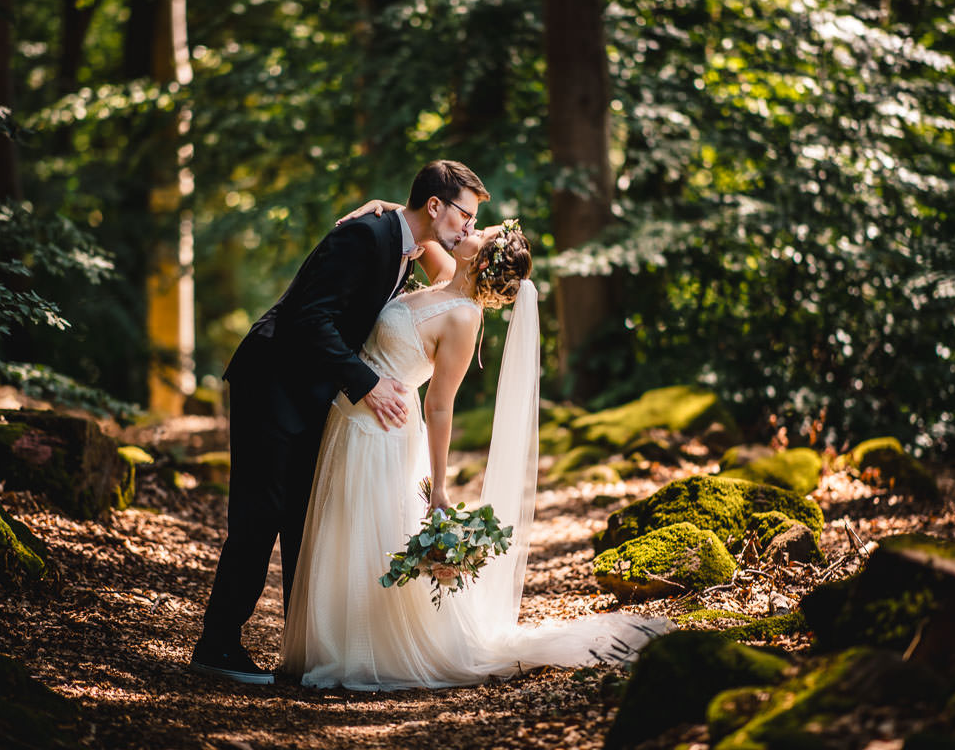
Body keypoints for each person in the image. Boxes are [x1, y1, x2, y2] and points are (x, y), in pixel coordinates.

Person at [280, 216, 669, 690]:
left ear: (483, 258)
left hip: (384, 435)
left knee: (366, 537)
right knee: (340, 531)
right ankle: (327, 642)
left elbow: (440, 405)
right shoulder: (446, 276)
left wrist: (438, 486)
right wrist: (381, 206)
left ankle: (361, 652)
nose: (471, 229)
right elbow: (419, 233)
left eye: (480, 234)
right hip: (349, 419)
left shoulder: (465, 318)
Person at [190, 161, 488, 684]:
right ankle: (217, 645)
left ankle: (309, 649)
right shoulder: (365, 236)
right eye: (465, 215)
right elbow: (311, 318)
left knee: (305, 524)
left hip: (314, 395)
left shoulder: (406, 247)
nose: (468, 228)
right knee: (259, 518)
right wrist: (367, 383)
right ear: (436, 206)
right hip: (272, 383)